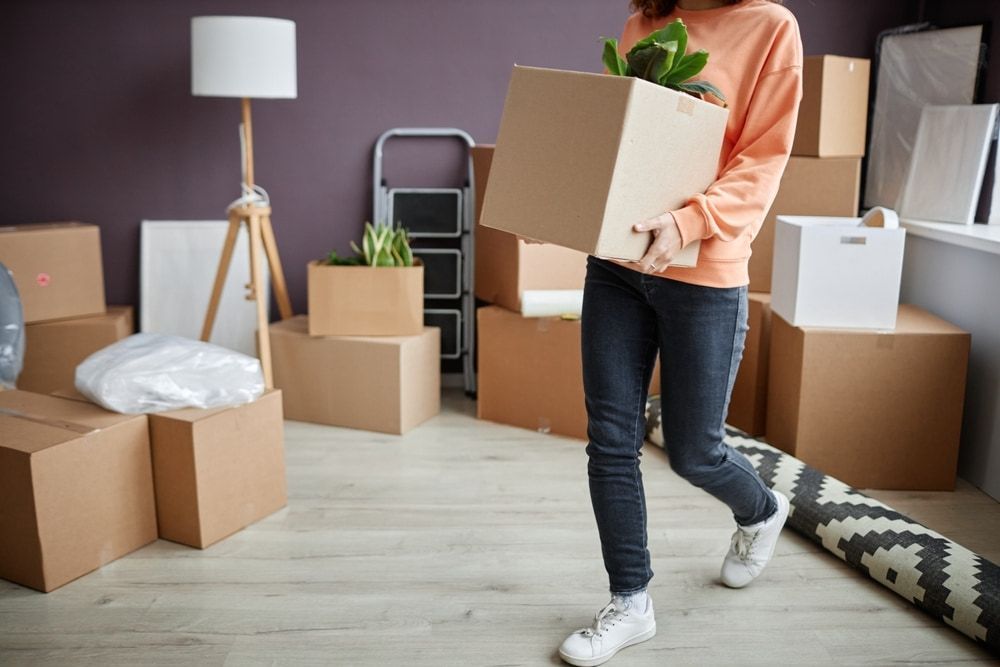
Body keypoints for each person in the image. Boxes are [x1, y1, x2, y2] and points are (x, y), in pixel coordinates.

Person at [557, 0, 803, 665]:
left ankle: (760, 511)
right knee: (610, 439)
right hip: (617, 264)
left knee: (696, 451)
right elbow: (622, 138)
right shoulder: (644, 20)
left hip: (706, 270)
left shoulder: (770, 28)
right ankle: (630, 601)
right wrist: (558, 200)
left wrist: (689, 222)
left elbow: (761, 160)